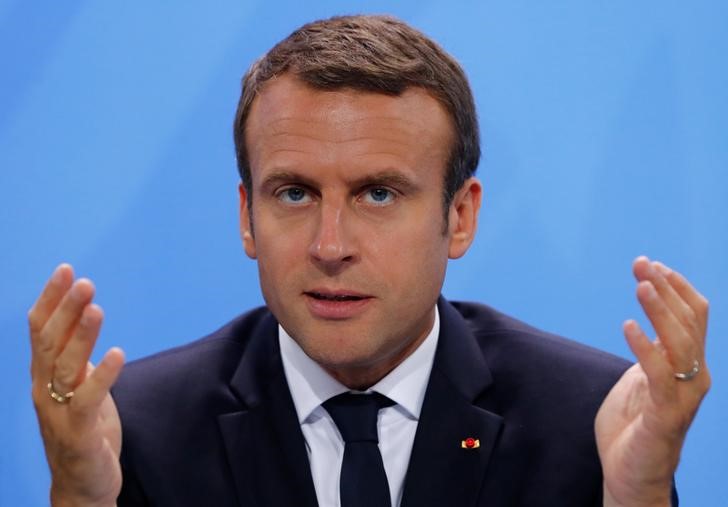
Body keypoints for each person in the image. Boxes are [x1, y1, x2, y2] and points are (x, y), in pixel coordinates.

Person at [29, 14, 710, 507]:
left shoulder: (587, 424)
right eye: (294, 193)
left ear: (460, 216)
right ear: (246, 217)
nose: (330, 246)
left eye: (378, 193)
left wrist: (640, 495)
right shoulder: (136, 432)